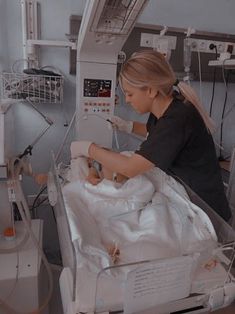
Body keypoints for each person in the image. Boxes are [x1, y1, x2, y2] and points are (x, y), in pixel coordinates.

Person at [70, 49, 231, 222]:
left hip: (206, 211)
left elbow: (130, 168)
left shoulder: (177, 118)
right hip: (188, 193)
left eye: (130, 94)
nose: (128, 100)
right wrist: (128, 126)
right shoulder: (167, 107)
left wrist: (88, 148)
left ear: (151, 91)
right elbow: (159, 135)